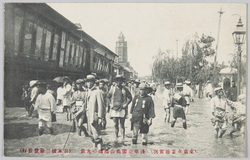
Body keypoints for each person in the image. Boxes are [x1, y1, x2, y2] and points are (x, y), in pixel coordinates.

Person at [107, 75, 132, 141]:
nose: (119, 82)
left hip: (122, 109)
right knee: (115, 124)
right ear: (116, 81)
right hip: (114, 108)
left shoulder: (125, 89)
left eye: (120, 80)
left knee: (122, 124)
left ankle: (123, 138)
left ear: (122, 81)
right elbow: (107, 97)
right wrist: (110, 104)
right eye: (117, 80)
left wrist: (126, 104)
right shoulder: (112, 89)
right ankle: (116, 137)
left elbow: (130, 98)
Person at [85, 74, 105, 150]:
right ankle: (94, 147)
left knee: (96, 133)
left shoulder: (98, 92)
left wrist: (100, 117)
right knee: (90, 132)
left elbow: (101, 105)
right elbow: (86, 104)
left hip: (95, 115)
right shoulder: (88, 91)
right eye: (87, 82)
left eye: (90, 82)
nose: (88, 84)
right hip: (88, 115)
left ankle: (100, 149)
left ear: (94, 82)